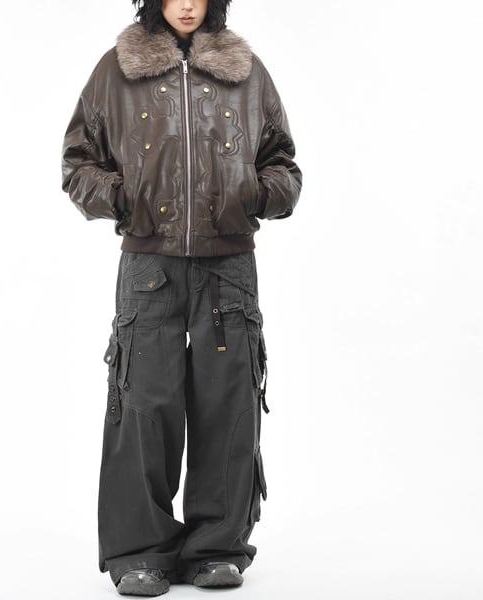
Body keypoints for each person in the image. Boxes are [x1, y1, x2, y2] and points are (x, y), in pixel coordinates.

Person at [61, 0, 302, 595]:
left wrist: (252, 194)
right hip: (150, 266)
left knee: (228, 406)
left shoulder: (247, 72)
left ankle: (217, 548)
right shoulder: (116, 70)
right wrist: (124, 198)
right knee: (144, 406)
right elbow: (77, 163)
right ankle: (140, 551)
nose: (188, 3)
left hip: (229, 266)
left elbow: (284, 166)